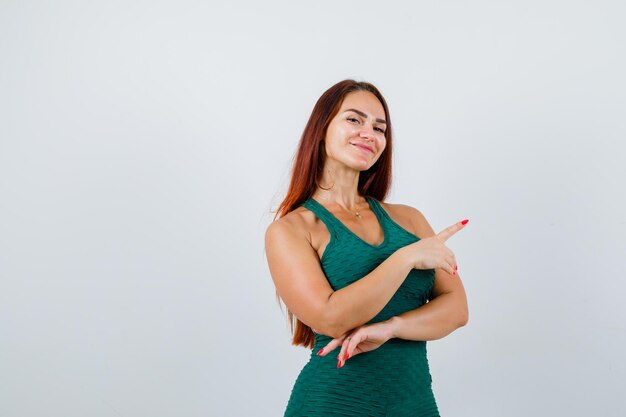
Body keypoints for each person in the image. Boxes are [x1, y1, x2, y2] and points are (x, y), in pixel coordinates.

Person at [264, 79, 469, 417]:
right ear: (321, 129)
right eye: (354, 120)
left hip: (414, 404)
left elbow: (457, 310)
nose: (369, 133)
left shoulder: (409, 219)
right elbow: (330, 318)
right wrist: (405, 257)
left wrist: (391, 328)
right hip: (333, 403)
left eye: (379, 127)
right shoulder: (291, 230)